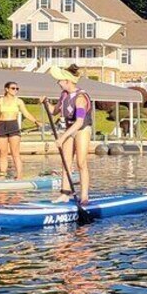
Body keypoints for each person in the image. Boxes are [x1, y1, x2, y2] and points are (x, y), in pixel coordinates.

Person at [44, 65, 92, 204]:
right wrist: (46, 102)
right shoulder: (64, 95)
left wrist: (62, 137)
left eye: (59, 80)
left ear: (67, 81)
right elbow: (54, 111)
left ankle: (84, 196)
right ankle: (65, 194)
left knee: (81, 163)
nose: (58, 83)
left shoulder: (80, 98)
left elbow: (79, 122)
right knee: (66, 163)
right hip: (70, 129)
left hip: (82, 129)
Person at [0, 82, 40, 180]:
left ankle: (19, 176)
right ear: (7, 89)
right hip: (2, 126)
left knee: (15, 153)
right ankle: (2, 175)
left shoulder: (19, 101)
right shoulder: (0, 101)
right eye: (13, 88)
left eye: (17, 88)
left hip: (13, 126)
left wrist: (36, 121)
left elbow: (26, 113)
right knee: (3, 153)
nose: (15, 90)